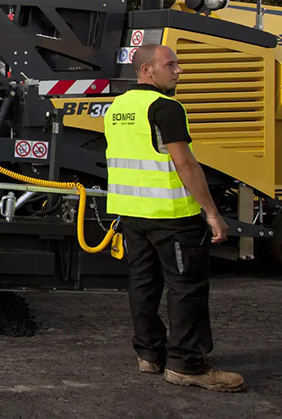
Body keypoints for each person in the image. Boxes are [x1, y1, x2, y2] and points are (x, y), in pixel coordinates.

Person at [102, 44, 244, 392]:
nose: (178, 70)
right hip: (172, 216)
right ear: (147, 70)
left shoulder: (117, 107)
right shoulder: (165, 108)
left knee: (143, 284)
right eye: (171, 64)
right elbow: (185, 164)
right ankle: (186, 364)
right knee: (186, 288)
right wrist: (212, 212)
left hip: (133, 213)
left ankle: (149, 354)